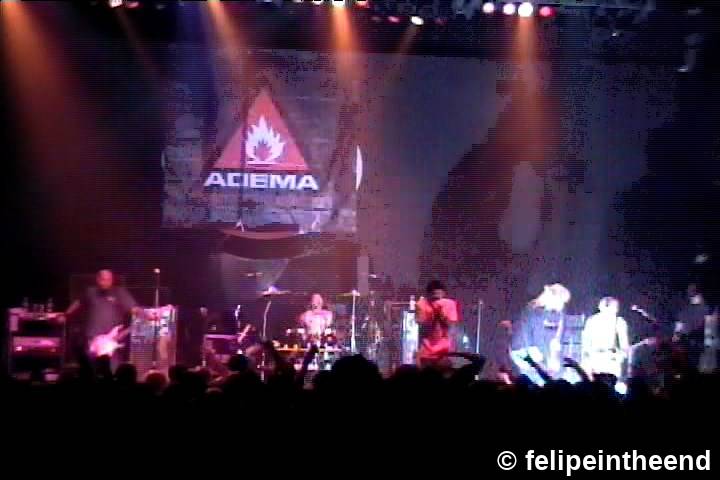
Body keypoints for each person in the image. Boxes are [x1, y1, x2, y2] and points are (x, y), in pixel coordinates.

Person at [65, 269, 141, 365]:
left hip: (111, 339)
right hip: (92, 338)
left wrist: (145, 315)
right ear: (98, 279)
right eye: (103, 279)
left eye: (109, 280)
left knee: (111, 367)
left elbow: (134, 309)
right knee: (91, 367)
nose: (106, 282)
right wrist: (66, 314)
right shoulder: (90, 292)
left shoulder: (119, 293)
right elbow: (78, 302)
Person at [510, 283, 571, 385]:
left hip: (537, 353)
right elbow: (530, 338)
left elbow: (552, 337)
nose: (561, 306)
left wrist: (553, 357)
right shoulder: (531, 311)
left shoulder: (553, 313)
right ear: (553, 297)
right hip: (524, 352)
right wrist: (543, 362)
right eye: (560, 301)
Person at [581, 297, 630, 379]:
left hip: (611, 360)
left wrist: (620, 357)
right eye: (606, 308)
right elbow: (585, 341)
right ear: (601, 308)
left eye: (613, 308)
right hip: (594, 359)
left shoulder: (619, 322)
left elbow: (624, 344)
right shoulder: (592, 321)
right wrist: (586, 359)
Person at [415, 280, 459, 368]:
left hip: (445, 352)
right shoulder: (422, 305)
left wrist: (441, 313)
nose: (437, 301)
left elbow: (451, 326)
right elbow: (422, 327)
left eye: (439, 298)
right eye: (434, 298)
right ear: (428, 295)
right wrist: (433, 312)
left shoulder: (449, 304)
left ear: (444, 294)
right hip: (427, 352)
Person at [673, 285, 711, 373]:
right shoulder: (683, 312)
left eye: (693, 292)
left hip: (700, 343)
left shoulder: (706, 308)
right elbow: (679, 328)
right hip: (690, 344)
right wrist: (676, 338)